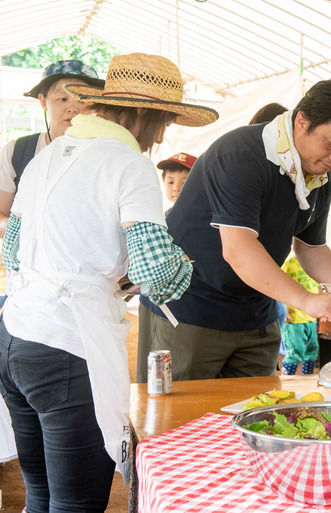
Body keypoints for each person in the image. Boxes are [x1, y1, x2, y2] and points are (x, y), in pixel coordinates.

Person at [0, 52, 216, 512]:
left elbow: (11, 250)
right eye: (163, 122)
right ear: (142, 114)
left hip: (14, 335)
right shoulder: (127, 163)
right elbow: (154, 271)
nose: (161, 136)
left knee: (39, 496)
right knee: (76, 504)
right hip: (66, 345)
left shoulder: (46, 155)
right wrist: (186, 265)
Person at [137, 77, 331, 383]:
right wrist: (306, 300)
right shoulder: (241, 156)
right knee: (180, 421)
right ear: (302, 121)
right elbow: (238, 250)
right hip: (189, 311)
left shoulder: (319, 177)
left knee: (253, 418)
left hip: (256, 317)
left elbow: (310, 246)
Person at [0, 59, 104, 237]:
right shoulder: (17, 152)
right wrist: (35, 231)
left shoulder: (107, 154)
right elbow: (2, 215)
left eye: (83, 99)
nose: (73, 108)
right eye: (62, 99)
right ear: (43, 102)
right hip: (27, 262)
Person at [280, 256, 320, 375]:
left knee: (312, 351)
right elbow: (278, 286)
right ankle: (287, 381)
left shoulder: (314, 265)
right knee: (295, 352)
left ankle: (307, 379)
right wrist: (284, 308)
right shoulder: (288, 264)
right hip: (294, 319)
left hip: (311, 318)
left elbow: (319, 286)